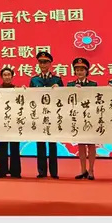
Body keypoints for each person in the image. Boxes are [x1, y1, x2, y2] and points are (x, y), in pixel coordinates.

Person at [29, 51, 63, 179]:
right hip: (39, 115)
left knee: (52, 144)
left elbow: (63, 98)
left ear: (50, 64)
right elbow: (30, 97)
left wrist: (59, 89)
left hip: (53, 115)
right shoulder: (34, 80)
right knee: (40, 144)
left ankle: (54, 172)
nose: (43, 64)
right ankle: (42, 171)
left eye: (45, 62)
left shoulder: (57, 79)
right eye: (41, 62)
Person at [67, 58, 97, 180]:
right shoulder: (70, 85)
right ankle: (83, 169)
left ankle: (91, 170)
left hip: (90, 117)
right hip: (77, 117)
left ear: (86, 71)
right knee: (81, 144)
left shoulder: (93, 84)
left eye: (82, 70)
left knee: (91, 144)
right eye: (77, 70)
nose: (79, 72)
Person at [0, 67, 21, 178]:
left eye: (9, 75)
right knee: (2, 147)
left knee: (15, 147)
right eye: (5, 75)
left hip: (14, 122)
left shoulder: (17, 90)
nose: (7, 77)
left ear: (12, 76)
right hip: (2, 121)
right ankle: (2, 170)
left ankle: (15, 171)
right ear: (1, 77)